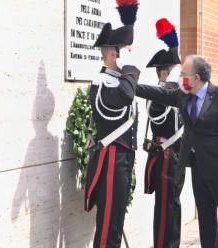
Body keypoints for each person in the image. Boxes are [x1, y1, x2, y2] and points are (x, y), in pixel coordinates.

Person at [136, 55, 218, 248]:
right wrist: (131, 85)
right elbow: (157, 94)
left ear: (196, 77)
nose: (180, 77)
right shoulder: (184, 95)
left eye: (183, 74)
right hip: (199, 169)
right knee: (206, 220)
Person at [83, 1, 140, 247]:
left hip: (122, 159)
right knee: (108, 223)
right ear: (112, 53)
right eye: (123, 51)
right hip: (111, 159)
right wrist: (130, 68)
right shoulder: (102, 83)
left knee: (116, 220)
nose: (126, 56)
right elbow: (126, 96)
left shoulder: (118, 82)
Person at [143, 18, 185, 248]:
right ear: (163, 73)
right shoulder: (159, 95)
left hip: (175, 156)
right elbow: (157, 115)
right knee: (165, 208)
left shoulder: (173, 92)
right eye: (172, 71)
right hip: (165, 156)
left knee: (173, 206)